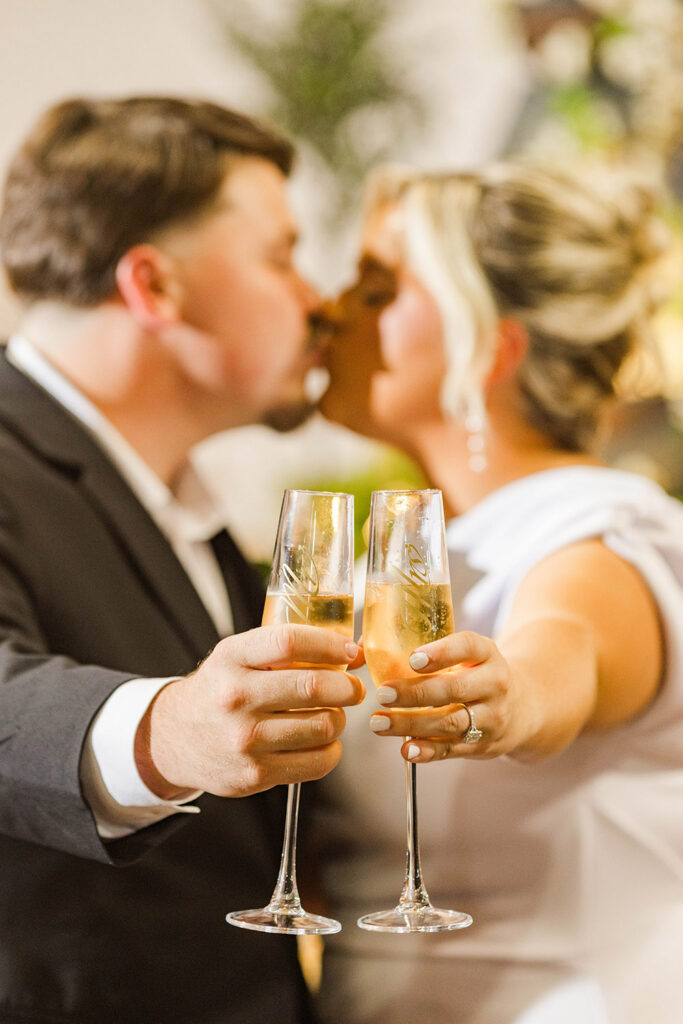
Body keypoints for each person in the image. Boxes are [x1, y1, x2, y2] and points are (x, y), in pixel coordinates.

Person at [0, 95, 365, 1024]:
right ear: (154, 287)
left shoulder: (200, 514)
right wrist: (171, 732)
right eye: (281, 256)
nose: (318, 299)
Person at [315, 164, 683, 1023]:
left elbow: (563, 649)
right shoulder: (432, 548)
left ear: (489, 346)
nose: (332, 310)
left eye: (376, 291)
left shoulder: (600, 535)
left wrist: (508, 698)